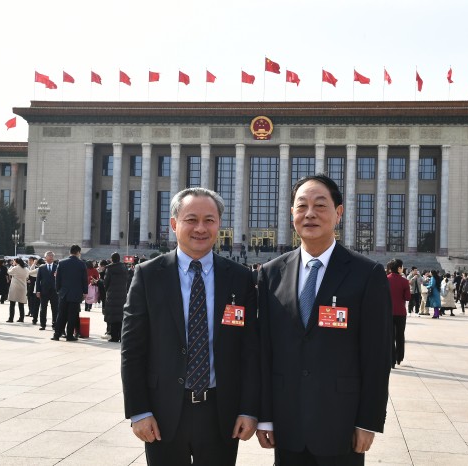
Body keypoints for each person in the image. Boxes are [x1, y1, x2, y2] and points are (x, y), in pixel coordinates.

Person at [256, 175, 391, 466]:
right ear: (292, 213)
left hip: (341, 423)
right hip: (287, 422)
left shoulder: (366, 274)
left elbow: (377, 355)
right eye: (301, 206)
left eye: (320, 205)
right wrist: (264, 416)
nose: (310, 214)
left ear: (338, 213)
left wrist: (367, 421)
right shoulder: (271, 273)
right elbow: (264, 351)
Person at [122, 187, 259, 465]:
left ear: (219, 225)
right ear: (174, 224)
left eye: (209, 220)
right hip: (163, 412)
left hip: (220, 412)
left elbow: (250, 351)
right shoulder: (149, 275)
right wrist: (139, 411)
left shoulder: (240, 278)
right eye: (191, 219)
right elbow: (132, 349)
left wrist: (249, 409)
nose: (200, 228)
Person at [52, 245, 87, 341]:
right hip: (76, 293)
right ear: (78, 252)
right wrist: (85, 292)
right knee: (72, 315)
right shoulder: (81, 264)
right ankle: (69, 335)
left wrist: (58, 290)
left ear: (70, 252)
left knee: (61, 314)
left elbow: (57, 278)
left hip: (64, 293)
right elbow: (84, 280)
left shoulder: (62, 263)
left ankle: (57, 334)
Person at [387, 259, 410, 369]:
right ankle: (399, 357)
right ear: (399, 268)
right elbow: (407, 297)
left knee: (390, 336)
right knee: (400, 335)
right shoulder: (404, 281)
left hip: (388, 312)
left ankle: (391, 360)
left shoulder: (385, 279)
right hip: (401, 312)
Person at [103, 253, 127, 343]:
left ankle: (114, 337)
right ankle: (121, 336)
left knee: (113, 316)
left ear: (112, 259)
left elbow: (106, 283)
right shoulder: (124, 268)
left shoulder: (110, 269)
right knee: (120, 316)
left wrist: (107, 290)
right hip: (122, 295)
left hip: (112, 295)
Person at [36, 252, 58, 330]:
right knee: (43, 308)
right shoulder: (41, 268)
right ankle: (43, 324)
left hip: (54, 291)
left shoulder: (57, 267)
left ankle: (55, 324)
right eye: (49, 256)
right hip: (44, 291)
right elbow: (38, 280)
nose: (51, 257)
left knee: (55, 309)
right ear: (45, 258)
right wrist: (38, 291)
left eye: (52, 256)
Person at [7, 258, 29, 323]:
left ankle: (11, 318)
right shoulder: (26, 269)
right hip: (23, 287)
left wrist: (12, 266)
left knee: (12, 304)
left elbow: (9, 272)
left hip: (15, 287)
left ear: (16, 262)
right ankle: (21, 318)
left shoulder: (15, 268)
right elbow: (27, 276)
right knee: (21, 304)